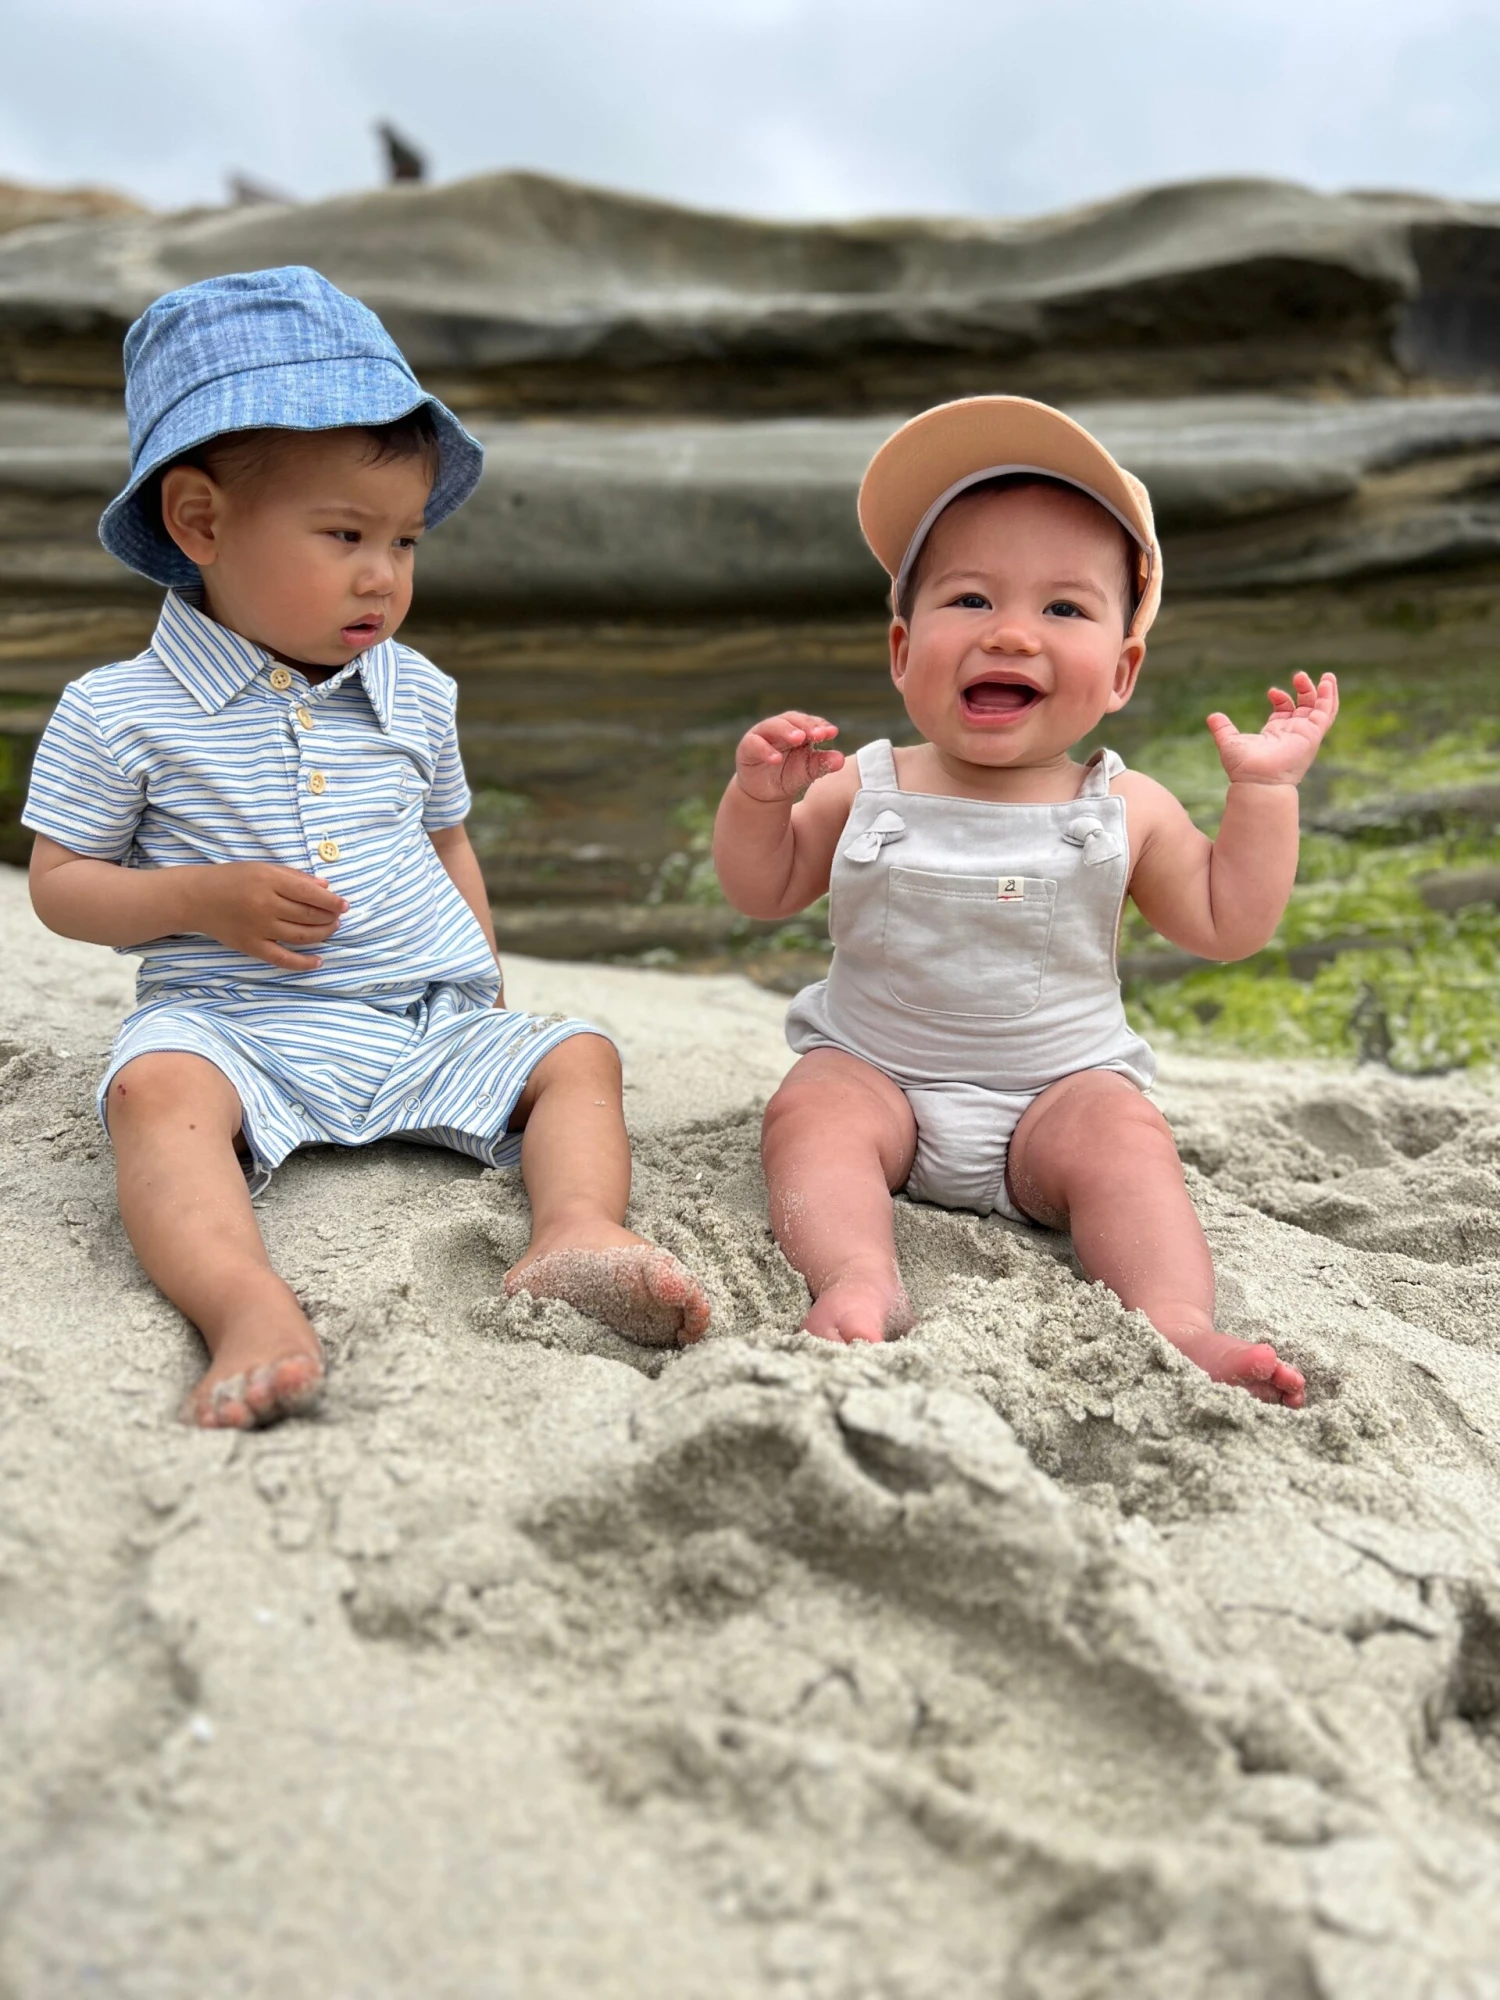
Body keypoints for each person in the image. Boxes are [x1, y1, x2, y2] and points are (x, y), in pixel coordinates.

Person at [23, 266, 709, 1430]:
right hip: (237, 1026)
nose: (383, 575)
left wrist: (482, 981)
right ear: (201, 522)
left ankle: (576, 1231)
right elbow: (59, 887)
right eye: (344, 533)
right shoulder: (120, 710)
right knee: (153, 1092)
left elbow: (446, 837)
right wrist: (199, 898)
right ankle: (244, 1302)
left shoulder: (417, 692)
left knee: (577, 1055)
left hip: (415, 1022)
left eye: (404, 539)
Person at [714, 396, 1338, 1407]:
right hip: (882, 1080)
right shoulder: (866, 784)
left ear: (1124, 669)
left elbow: (1229, 923)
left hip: (1057, 1094)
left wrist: (1263, 793)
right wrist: (757, 800)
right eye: (968, 600)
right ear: (901, 649)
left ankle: (1175, 1317)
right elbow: (761, 885)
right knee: (810, 1110)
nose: (1011, 633)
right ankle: (858, 1277)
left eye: (1064, 608)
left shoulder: (1122, 805)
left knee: (1127, 1139)